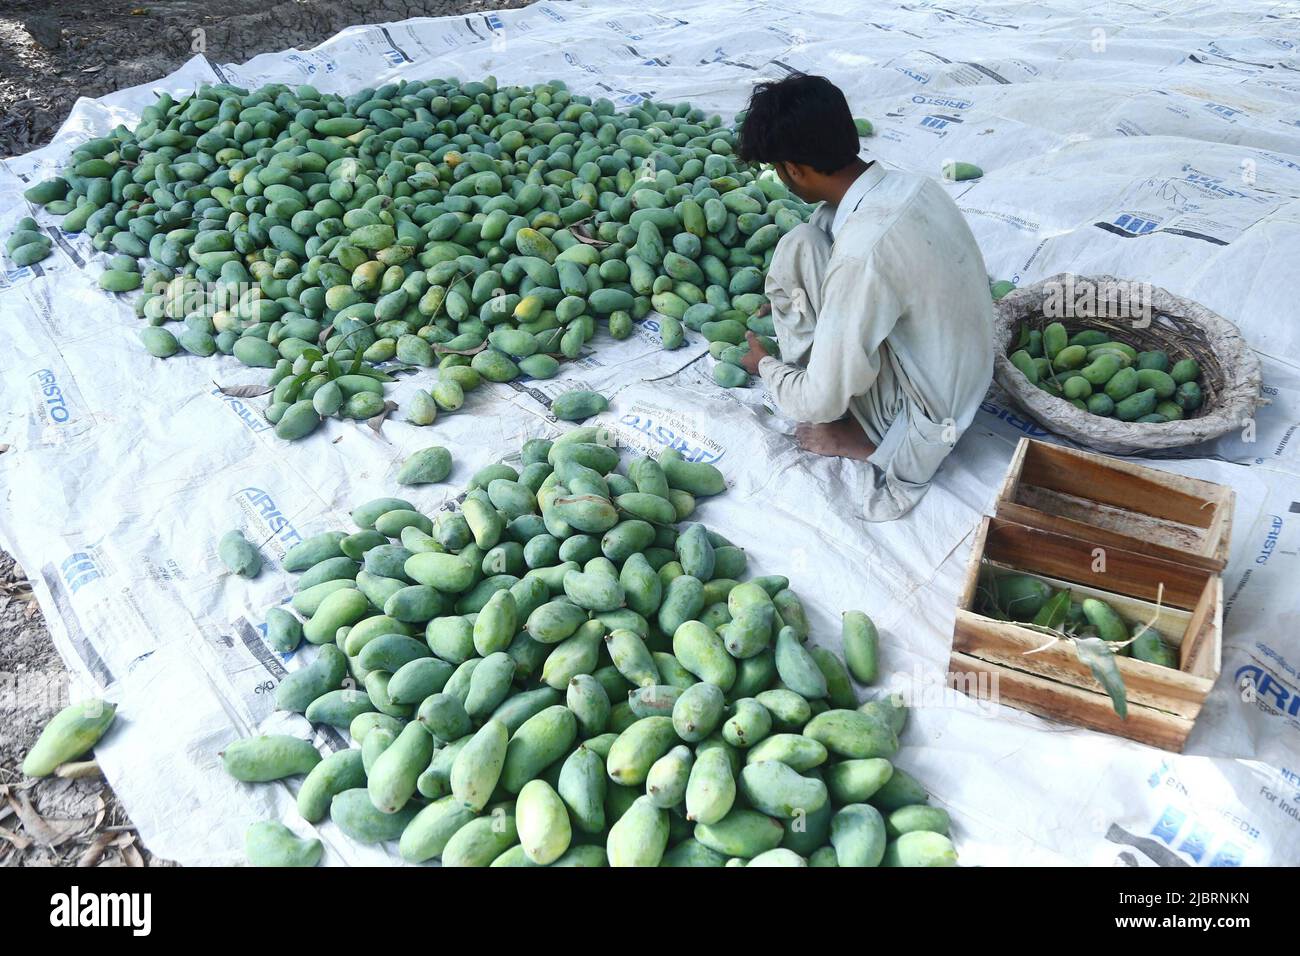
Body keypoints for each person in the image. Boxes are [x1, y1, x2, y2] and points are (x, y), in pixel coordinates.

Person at [735, 73, 994, 520]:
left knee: (820, 392)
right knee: (802, 243)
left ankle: (866, 434)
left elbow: (818, 401)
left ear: (793, 169)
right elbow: (828, 247)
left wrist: (767, 367)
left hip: (926, 424)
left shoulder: (861, 254)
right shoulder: (916, 186)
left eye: (779, 169)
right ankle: (849, 389)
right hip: (967, 378)